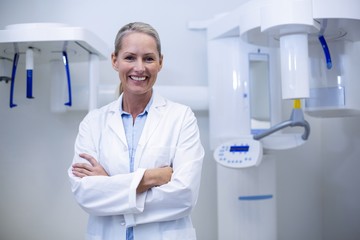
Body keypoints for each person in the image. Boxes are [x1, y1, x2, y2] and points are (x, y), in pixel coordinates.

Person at [68, 22, 204, 240]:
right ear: (115, 60)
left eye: (149, 58)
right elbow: (86, 194)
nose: (139, 68)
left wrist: (109, 185)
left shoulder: (181, 118)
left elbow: (184, 196)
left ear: (160, 62)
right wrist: (150, 178)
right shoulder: (93, 122)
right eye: (130, 57)